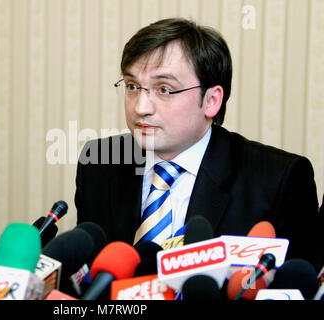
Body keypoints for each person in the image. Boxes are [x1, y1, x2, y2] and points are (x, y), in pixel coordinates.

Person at [75, 17, 324, 272]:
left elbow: (298, 285)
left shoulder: (278, 180)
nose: (141, 107)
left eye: (164, 89)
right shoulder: (99, 163)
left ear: (211, 100)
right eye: (132, 86)